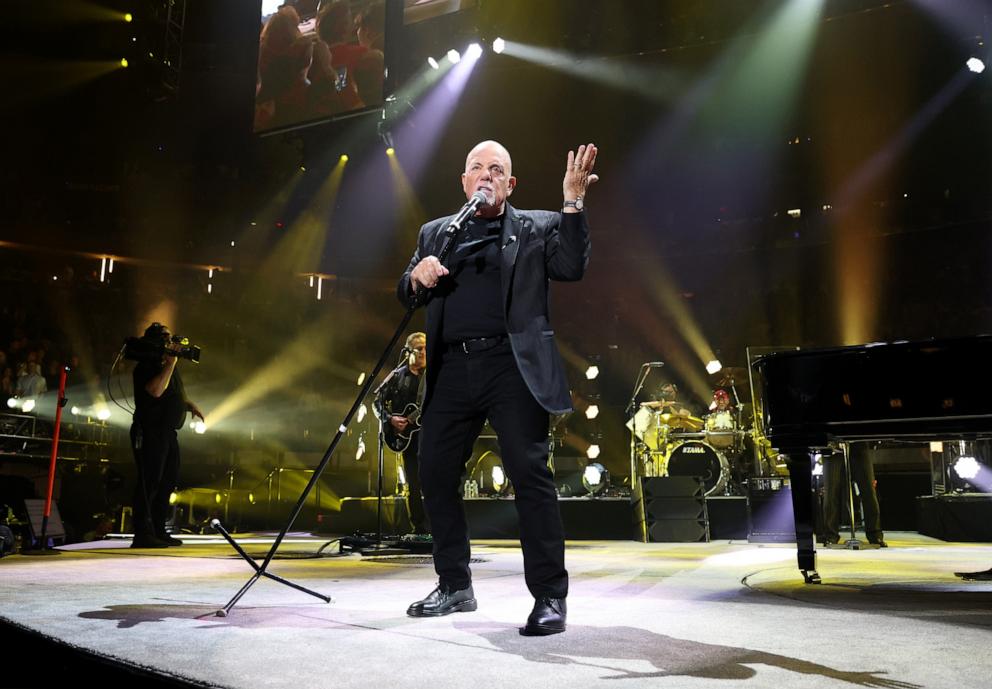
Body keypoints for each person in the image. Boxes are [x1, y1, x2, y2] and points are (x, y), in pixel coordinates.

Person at [399, 139, 598, 636]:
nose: (485, 175)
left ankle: (550, 596)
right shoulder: (436, 233)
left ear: (510, 185)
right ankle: (455, 585)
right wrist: (416, 277)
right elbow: (405, 293)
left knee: (530, 476)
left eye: (497, 169)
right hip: (451, 369)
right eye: (476, 168)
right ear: (464, 182)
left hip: (512, 365)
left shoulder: (536, 227)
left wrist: (572, 202)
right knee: (435, 472)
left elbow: (571, 266)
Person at [130, 323, 204, 548]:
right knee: (149, 482)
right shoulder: (147, 366)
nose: (173, 344)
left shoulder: (167, 366)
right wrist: (170, 363)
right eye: (168, 340)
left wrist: (186, 404)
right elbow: (155, 391)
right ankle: (142, 533)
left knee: (167, 482)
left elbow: (169, 393)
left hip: (167, 433)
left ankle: (159, 530)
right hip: (150, 431)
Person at [373, 331, 430, 535]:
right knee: (413, 484)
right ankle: (419, 527)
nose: (424, 352)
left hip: (430, 435)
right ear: (408, 351)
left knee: (432, 481)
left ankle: (437, 526)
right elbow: (376, 401)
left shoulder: (433, 376)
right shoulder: (398, 375)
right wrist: (390, 419)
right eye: (419, 349)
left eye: (426, 348)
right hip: (408, 439)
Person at [821, 442, 886, 547]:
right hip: (831, 445)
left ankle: (875, 535)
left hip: (858, 442)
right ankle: (830, 536)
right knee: (831, 492)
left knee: (869, 490)